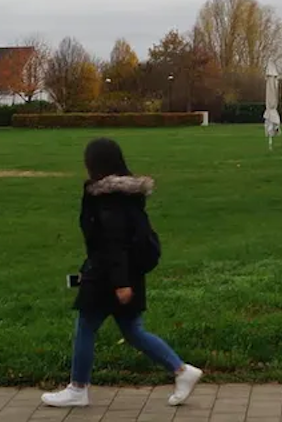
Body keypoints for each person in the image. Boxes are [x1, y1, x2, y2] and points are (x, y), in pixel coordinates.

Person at [41, 138, 203, 408]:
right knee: (132, 331)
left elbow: (113, 243)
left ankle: (78, 388)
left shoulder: (108, 200)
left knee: (86, 327)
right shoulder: (123, 196)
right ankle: (181, 371)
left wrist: (120, 283)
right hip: (123, 274)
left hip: (109, 276)